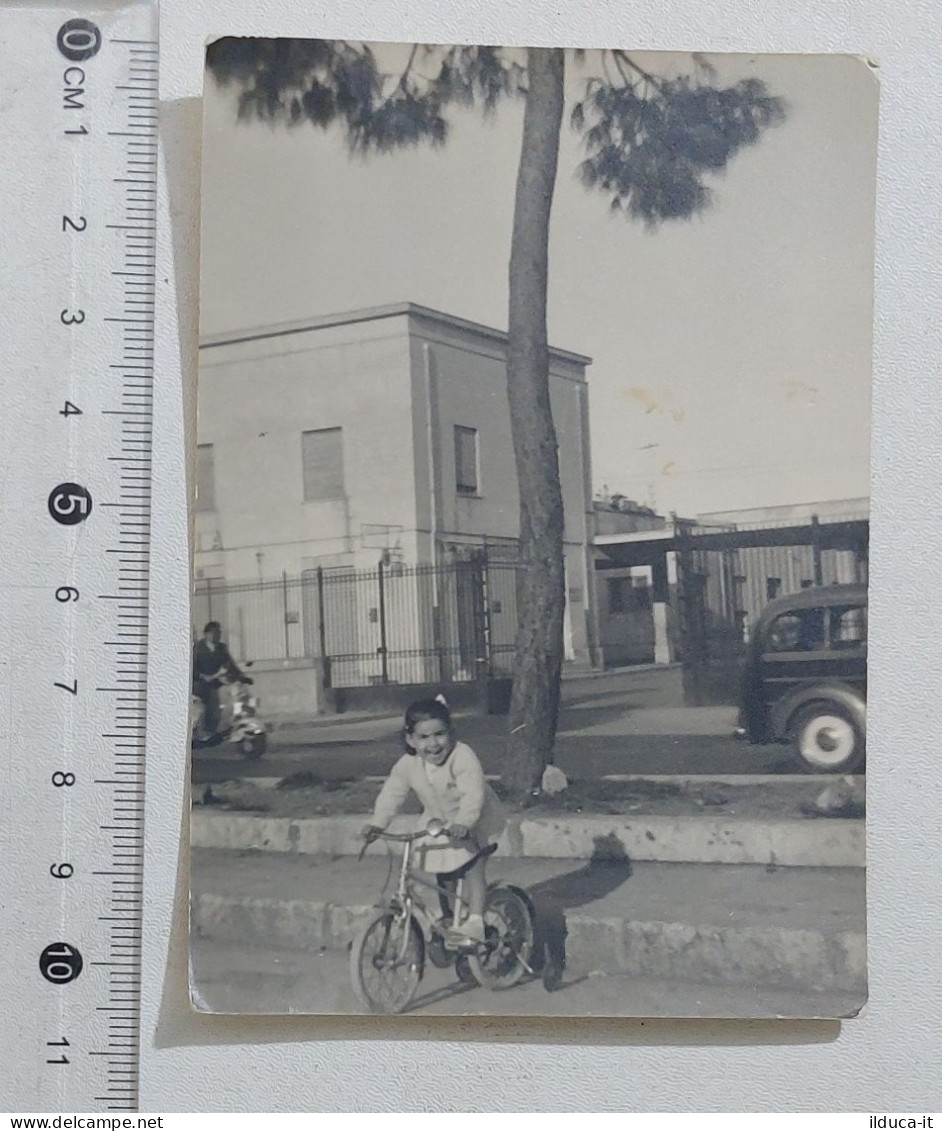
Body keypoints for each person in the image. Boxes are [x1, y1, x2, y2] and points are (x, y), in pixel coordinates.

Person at [362, 696, 505, 947]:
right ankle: (449, 922)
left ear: (452, 732)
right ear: (410, 740)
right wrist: (377, 824)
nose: (434, 744)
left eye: (440, 734)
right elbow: (392, 793)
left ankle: (475, 921)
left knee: (472, 867)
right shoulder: (408, 764)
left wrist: (465, 822)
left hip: (476, 819)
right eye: (424, 738)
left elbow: (473, 794)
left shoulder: (462, 756)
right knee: (442, 872)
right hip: (438, 823)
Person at [192, 621, 249, 737]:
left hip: (218, 682)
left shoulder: (222, 648)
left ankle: (226, 726)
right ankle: (204, 730)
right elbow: (192, 668)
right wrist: (202, 676)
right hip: (201, 683)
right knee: (210, 702)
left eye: (218, 633)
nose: (216, 636)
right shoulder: (198, 648)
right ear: (206, 634)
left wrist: (242, 677)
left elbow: (230, 665)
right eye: (213, 633)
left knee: (233, 697)